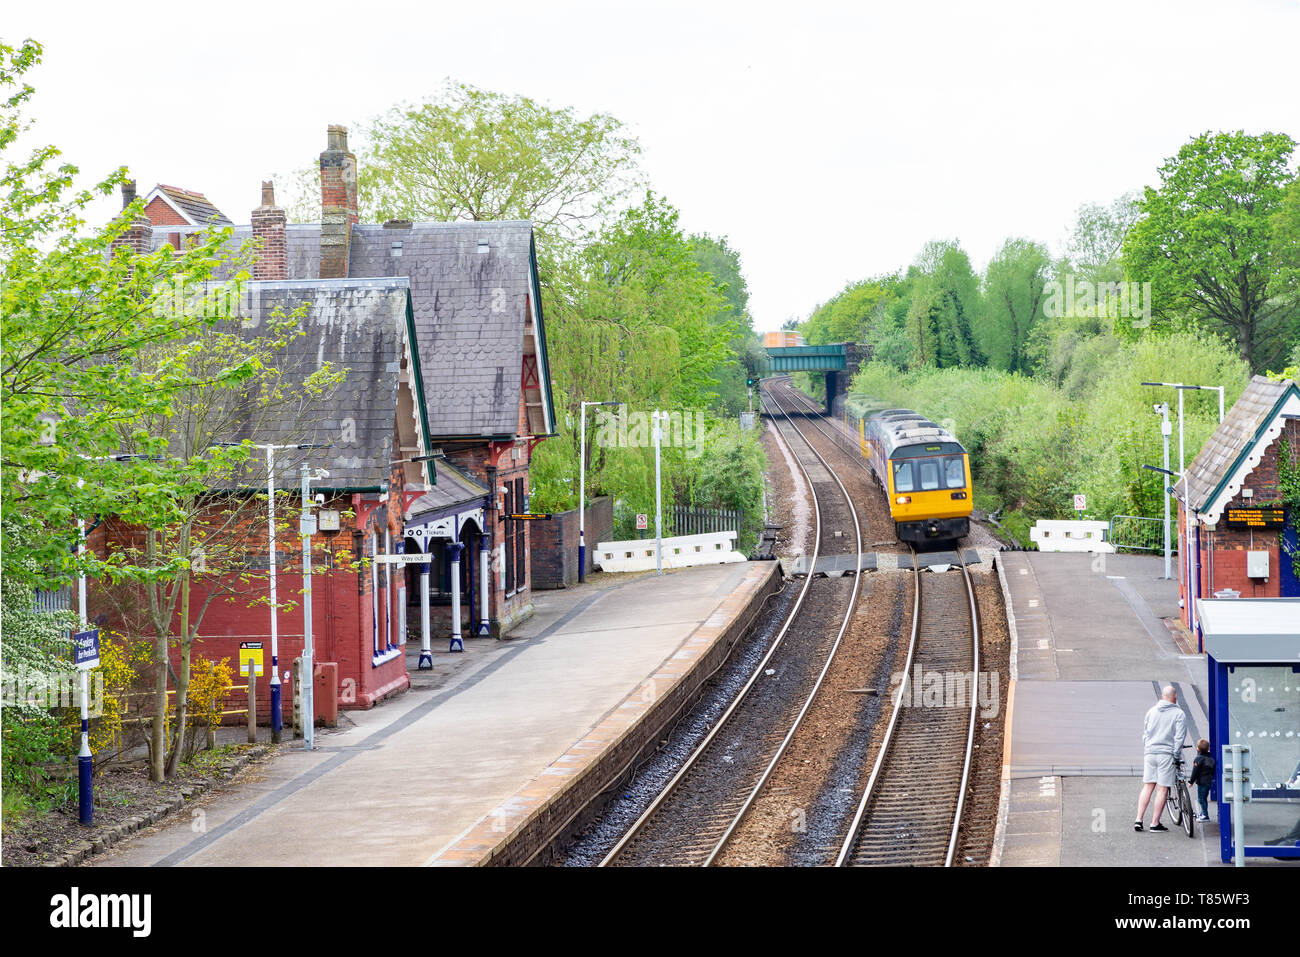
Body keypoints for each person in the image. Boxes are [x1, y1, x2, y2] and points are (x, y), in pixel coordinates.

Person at [1135, 685, 1188, 832]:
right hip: (1166, 754)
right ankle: (1154, 823)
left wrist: (1148, 747)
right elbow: (1179, 737)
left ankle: (1138, 819)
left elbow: (1145, 734)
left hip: (1150, 752)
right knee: (1162, 789)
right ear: (1175, 697)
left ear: (1162, 696)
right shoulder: (1179, 714)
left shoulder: (1151, 712)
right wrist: (1176, 754)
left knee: (1148, 785)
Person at [1188, 738, 1215, 822]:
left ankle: (1205, 815)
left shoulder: (1198, 759)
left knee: (1201, 799)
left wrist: (1191, 781)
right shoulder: (1210, 759)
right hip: (1208, 781)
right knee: (1204, 798)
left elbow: (1195, 771)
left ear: (1198, 749)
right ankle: (1203, 813)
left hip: (1202, 782)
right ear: (1208, 748)